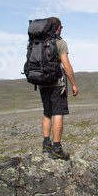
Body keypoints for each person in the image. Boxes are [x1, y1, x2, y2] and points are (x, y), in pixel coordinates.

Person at [39, 17, 78, 160]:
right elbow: (66, 66)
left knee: (47, 113)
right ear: (58, 27)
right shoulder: (60, 43)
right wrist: (73, 83)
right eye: (61, 27)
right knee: (58, 114)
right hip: (57, 84)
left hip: (42, 83)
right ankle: (56, 147)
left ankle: (46, 145)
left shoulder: (39, 43)